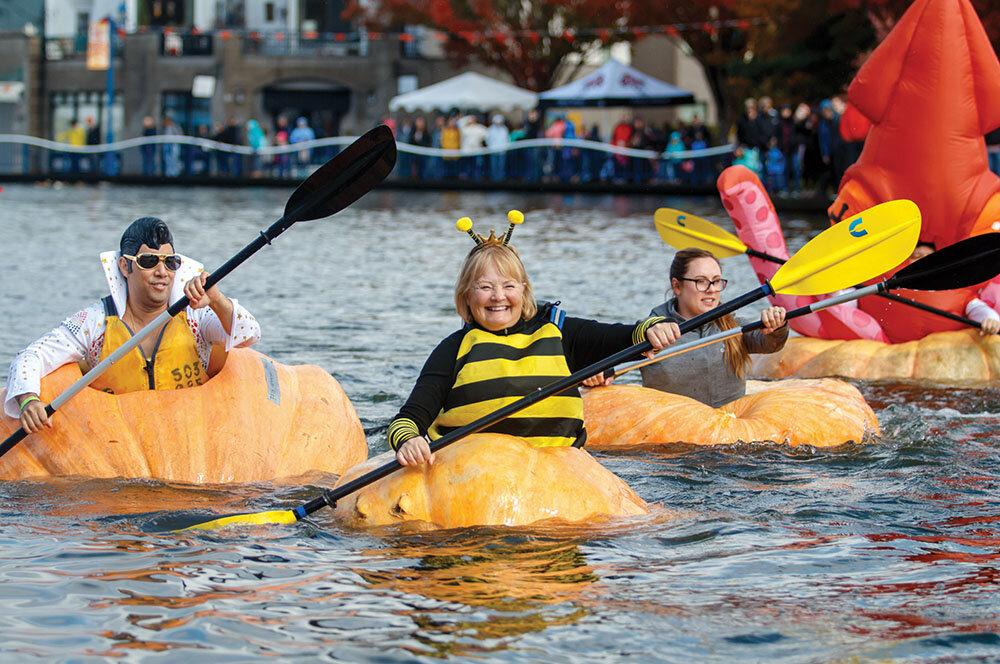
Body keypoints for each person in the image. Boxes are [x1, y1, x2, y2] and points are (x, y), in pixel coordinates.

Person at [387, 215, 682, 466]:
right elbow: (406, 421)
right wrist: (409, 440)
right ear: (467, 295)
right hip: (478, 475)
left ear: (524, 290)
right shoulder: (453, 349)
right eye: (485, 287)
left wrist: (652, 327)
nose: (498, 297)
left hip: (560, 473)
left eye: (508, 286)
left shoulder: (557, 331)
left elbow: (625, 336)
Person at [6, 217, 261, 433]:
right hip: (120, 444)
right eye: (149, 261)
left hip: (189, 437)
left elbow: (248, 335)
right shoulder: (95, 322)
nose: (162, 272)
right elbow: (31, 356)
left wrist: (216, 299)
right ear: (124, 266)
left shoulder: (196, 315)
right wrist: (28, 400)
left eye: (169, 262)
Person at [586, 248, 788, 407]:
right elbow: (613, 364)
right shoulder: (652, 332)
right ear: (677, 286)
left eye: (716, 282)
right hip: (673, 437)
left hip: (729, 431)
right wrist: (600, 373)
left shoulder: (733, 326)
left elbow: (770, 344)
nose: (711, 290)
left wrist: (777, 326)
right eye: (701, 281)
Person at [909, 243, 1000, 336]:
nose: (923, 260)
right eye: (917, 255)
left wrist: (990, 319)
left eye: (931, 257)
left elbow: (976, 308)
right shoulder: (894, 283)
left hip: (942, 346)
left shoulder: (955, 287)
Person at [485, 114, 509, 182]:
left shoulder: (504, 129)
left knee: (501, 166)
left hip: (502, 151)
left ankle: (501, 179)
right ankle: (494, 179)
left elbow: (506, 139)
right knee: (493, 166)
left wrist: (505, 148)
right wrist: (491, 147)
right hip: (493, 151)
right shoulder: (490, 129)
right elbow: (487, 140)